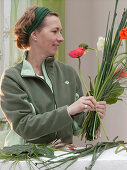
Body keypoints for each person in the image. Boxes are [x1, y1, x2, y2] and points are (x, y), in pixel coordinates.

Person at [0, 6, 106, 146]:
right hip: (27, 161)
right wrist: (68, 111)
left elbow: (78, 127)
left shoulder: (68, 73)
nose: (61, 38)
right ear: (34, 34)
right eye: (54, 31)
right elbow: (24, 126)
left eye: (60, 32)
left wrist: (94, 115)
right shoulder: (12, 78)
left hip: (63, 160)